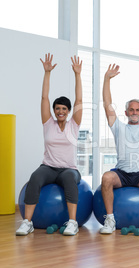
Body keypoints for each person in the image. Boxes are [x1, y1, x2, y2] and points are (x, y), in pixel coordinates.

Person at [16, 53, 83, 236]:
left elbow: (79, 101)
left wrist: (77, 75)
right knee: (35, 178)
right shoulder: (48, 123)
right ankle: (27, 222)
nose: (60, 111)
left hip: (69, 169)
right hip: (48, 167)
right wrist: (47, 73)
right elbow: (44, 98)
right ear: (54, 111)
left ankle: (72, 222)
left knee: (69, 179)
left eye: (64, 109)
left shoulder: (74, 125)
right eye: (57, 108)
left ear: (69, 112)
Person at [99, 63, 139, 234]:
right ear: (126, 112)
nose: (134, 112)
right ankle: (110, 219)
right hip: (122, 174)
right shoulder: (118, 127)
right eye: (131, 110)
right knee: (106, 177)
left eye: (137, 110)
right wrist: (106, 79)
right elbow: (107, 104)